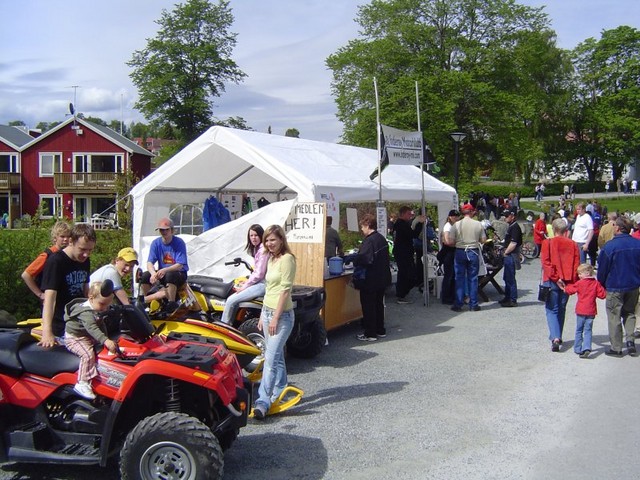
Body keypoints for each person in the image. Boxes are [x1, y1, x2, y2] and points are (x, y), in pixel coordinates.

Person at [252, 225, 296, 420]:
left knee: (270, 359)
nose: (270, 244)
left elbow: (285, 290)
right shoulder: (271, 258)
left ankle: (263, 400)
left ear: (281, 240)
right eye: (267, 240)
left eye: (273, 240)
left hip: (283, 316)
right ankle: (280, 388)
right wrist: (263, 313)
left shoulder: (287, 259)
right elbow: (269, 288)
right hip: (268, 312)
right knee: (276, 357)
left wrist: (276, 317)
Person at [39, 224, 96, 348]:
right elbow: (49, 299)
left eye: (90, 250)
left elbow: (85, 292)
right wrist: (47, 331)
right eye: (82, 249)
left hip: (78, 323)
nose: (86, 254)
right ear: (71, 241)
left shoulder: (85, 260)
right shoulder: (56, 261)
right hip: (60, 326)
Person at [64, 281, 118, 399]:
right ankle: (82, 382)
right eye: (102, 304)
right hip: (75, 338)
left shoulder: (97, 309)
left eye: (107, 305)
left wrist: (106, 339)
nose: (104, 308)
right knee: (87, 355)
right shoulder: (86, 313)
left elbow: (101, 325)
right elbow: (92, 328)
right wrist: (105, 341)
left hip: (87, 336)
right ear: (91, 298)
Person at [597, 217, 640, 357]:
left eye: (614, 225)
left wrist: (602, 283)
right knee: (629, 313)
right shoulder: (637, 244)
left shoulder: (610, 247)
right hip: (633, 285)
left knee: (614, 316)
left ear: (618, 228)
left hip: (615, 285)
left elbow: (602, 269)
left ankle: (616, 347)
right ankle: (630, 342)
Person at [348, 214, 391, 341]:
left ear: (367, 225)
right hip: (382, 277)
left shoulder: (369, 241)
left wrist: (354, 260)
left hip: (370, 279)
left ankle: (370, 333)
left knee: (368, 306)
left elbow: (365, 259)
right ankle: (380, 329)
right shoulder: (381, 238)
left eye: (362, 226)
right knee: (378, 305)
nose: (362, 229)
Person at [541, 218, 580, 352]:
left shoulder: (548, 242)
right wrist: (573, 281)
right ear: (565, 230)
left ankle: (556, 337)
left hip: (552, 280)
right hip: (568, 280)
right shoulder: (573, 244)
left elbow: (546, 262)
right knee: (561, 308)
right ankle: (558, 335)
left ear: (553, 229)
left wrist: (556, 278)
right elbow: (576, 265)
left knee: (552, 309)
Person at [221, 224, 269, 325]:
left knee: (230, 300)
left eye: (256, 235)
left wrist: (246, 285)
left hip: (262, 284)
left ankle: (224, 328)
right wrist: (247, 281)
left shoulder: (263, 250)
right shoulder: (258, 249)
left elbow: (259, 274)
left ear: (261, 235)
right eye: (251, 235)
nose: (253, 238)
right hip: (260, 282)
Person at [140, 217, 188, 307]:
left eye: (166, 230)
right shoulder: (156, 243)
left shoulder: (179, 242)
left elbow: (180, 265)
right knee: (145, 276)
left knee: (170, 275)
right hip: (162, 273)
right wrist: (153, 273)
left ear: (172, 230)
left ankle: (171, 303)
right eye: (161, 230)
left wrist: (165, 270)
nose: (164, 232)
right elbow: (150, 262)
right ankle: (148, 303)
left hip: (178, 273)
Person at [562, 263, 606, 358]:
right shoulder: (595, 283)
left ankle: (578, 348)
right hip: (591, 310)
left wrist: (565, 288)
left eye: (580, 274)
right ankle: (587, 347)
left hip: (581, 310)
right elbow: (602, 295)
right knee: (588, 330)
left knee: (579, 330)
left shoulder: (580, 283)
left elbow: (571, 290)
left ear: (586, 273)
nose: (579, 275)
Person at [22, 220, 71, 302]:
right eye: (62, 237)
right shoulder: (47, 255)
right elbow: (26, 275)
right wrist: (40, 294)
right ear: (55, 238)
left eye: (68, 236)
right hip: (50, 300)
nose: (66, 239)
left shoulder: (68, 254)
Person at [449, 203, 486, 312]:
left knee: (459, 277)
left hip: (460, 251)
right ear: (471, 212)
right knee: (473, 278)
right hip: (473, 251)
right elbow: (483, 240)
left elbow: (450, 241)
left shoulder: (456, 225)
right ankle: (473, 304)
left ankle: (458, 303)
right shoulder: (478, 224)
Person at [392, 206, 419, 303]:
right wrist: (420, 223)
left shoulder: (400, 224)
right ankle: (401, 294)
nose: (410, 216)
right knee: (407, 274)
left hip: (403, 252)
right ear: (403, 214)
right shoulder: (401, 224)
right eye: (408, 214)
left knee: (404, 273)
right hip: (403, 253)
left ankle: (401, 293)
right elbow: (413, 234)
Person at [499, 208, 522, 308]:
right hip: (509, 254)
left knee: (510, 278)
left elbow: (514, 243)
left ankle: (512, 299)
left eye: (507, 216)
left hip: (511, 255)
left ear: (512, 216)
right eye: (504, 216)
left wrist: (506, 252)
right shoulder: (511, 226)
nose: (505, 218)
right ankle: (507, 297)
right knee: (506, 277)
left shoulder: (515, 227)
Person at [438, 210, 460, 305]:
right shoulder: (448, 226)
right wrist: (458, 243)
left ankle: (451, 295)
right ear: (450, 217)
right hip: (448, 252)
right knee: (449, 275)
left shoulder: (454, 226)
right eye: (454, 216)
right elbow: (447, 241)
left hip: (453, 252)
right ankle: (446, 297)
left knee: (453, 275)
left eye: (457, 216)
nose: (456, 217)